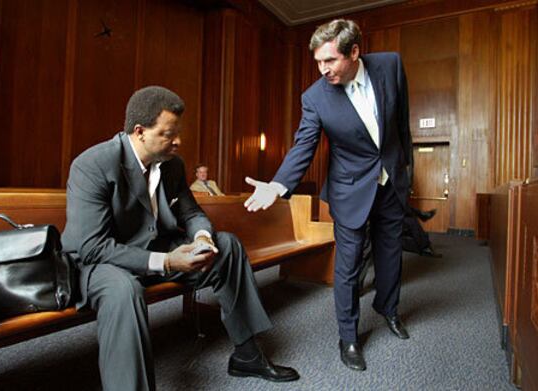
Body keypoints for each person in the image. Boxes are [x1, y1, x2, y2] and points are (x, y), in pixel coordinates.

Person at [62, 86, 299, 390]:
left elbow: (191, 213)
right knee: (123, 289)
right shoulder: (93, 165)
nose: (179, 140)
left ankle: (248, 355)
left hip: (153, 251)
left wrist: (202, 238)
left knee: (227, 246)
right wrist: (168, 261)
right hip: (99, 264)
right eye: (169, 133)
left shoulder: (173, 165)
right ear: (140, 132)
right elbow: (92, 247)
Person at [244, 19, 413, 371]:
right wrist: (278, 185)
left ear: (354, 52)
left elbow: (402, 123)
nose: (323, 70)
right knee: (349, 268)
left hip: (391, 181)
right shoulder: (315, 97)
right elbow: (303, 145)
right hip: (350, 189)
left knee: (390, 255)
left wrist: (405, 168)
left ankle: (389, 308)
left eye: (330, 61)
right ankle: (348, 336)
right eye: (318, 62)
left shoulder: (391, 65)